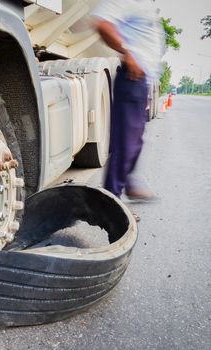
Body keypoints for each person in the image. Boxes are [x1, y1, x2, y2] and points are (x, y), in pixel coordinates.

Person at [92, 0, 165, 209]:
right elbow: (102, 23)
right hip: (132, 77)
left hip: (142, 83)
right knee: (125, 144)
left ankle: (128, 185)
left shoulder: (148, 6)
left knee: (133, 142)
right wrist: (128, 53)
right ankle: (110, 205)